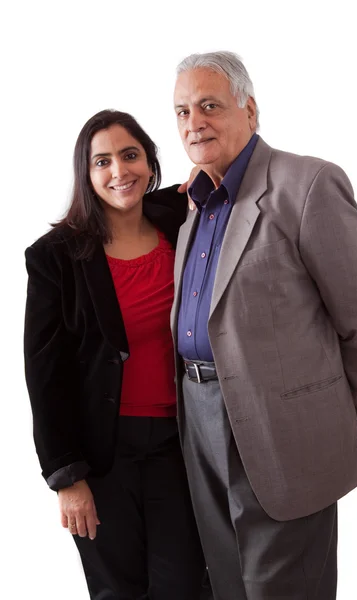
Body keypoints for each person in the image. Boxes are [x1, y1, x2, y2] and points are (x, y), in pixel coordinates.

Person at [171, 51, 357, 600]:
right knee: (226, 583)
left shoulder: (307, 183)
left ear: (250, 110)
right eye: (180, 111)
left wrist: (332, 405)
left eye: (208, 106)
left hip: (286, 428)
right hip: (197, 416)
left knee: (284, 588)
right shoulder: (194, 203)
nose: (193, 122)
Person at [24, 109, 209, 600]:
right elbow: (45, 374)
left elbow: (214, 176)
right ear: (85, 175)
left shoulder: (177, 220)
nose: (118, 171)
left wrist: (205, 173)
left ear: (149, 161)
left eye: (130, 156)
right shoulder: (55, 257)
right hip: (102, 454)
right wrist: (66, 477)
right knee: (118, 591)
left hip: (178, 444)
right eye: (101, 161)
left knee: (187, 585)